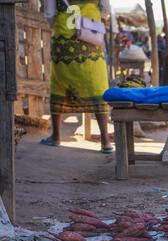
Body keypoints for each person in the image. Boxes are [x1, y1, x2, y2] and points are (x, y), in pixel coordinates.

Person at [42, 0, 112, 153]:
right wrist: (91, 19)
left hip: (63, 37)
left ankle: (56, 136)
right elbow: (105, 10)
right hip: (91, 36)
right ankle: (105, 141)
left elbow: (50, 14)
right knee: (97, 85)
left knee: (60, 84)